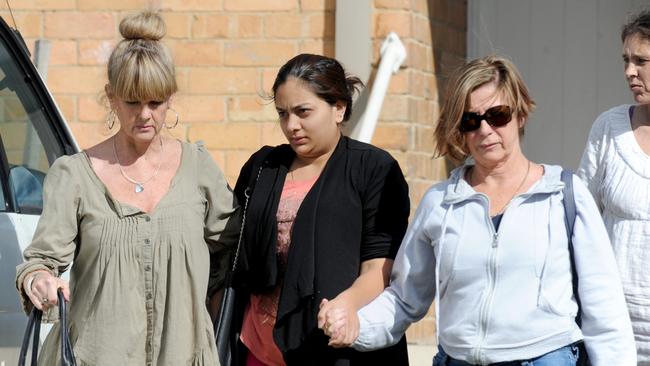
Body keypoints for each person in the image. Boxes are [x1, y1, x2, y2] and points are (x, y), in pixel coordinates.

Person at [321, 55, 637, 365]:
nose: (485, 130)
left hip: (545, 358)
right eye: (471, 120)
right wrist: (356, 325)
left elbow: (603, 305)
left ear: (521, 114)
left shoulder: (564, 193)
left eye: (498, 115)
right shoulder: (440, 203)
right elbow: (404, 298)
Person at [15, 11, 239, 365]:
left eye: (156, 101)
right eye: (133, 101)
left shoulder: (198, 168)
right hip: (95, 356)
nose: (145, 114)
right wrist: (40, 282)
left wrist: (201, 314)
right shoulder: (74, 176)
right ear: (111, 97)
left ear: (171, 98)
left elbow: (234, 248)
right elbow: (40, 261)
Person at [230, 53, 410, 365]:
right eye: (283, 113)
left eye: (303, 112)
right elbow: (233, 254)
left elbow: (380, 267)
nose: (291, 125)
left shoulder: (373, 169)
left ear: (339, 108)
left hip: (336, 348)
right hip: (258, 350)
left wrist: (346, 305)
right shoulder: (264, 167)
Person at [577, 10, 650, 364]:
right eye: (626, 60)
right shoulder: (609, 128)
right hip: (612, 327)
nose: (629, 72)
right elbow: (577, 217)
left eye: (641, 61)